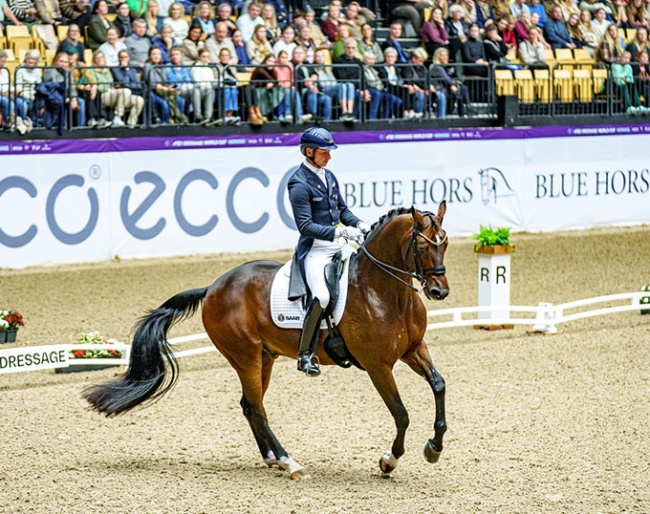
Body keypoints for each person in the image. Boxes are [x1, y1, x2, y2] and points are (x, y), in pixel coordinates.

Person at [287, 127, 370, 376]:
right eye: (324, 152)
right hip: (315, 249)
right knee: (322, 296)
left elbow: (342, 210)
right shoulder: (298, 183)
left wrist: (359, 223)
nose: (329, 157)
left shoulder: (329, 176)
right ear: (309, 152)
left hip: (338, 243)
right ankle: (304, 355)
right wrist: (342, 233)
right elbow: (305, 226)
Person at [112, 49, 146, 126]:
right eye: (122, 57)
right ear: (119, 58)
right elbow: (124, 83)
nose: (124, 59)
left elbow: (138, 84)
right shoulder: (115, 69)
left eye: (126, 57)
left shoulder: (133, 69)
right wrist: (126, 70)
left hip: (132, 93)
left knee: (139, 100)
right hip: (120, 96)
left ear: (129, 58)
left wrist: (129, 84)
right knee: (126, 91)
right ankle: (117, 117)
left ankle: (131, 123)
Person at [333, 37, 362, 121]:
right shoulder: (338, 60)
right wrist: (354, 81)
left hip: (354, 86)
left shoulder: (358, 61)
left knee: (374, 94)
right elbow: (341, 76)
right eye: (348, 48)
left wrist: (363, 89)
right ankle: (345, 112)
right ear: (344, 48)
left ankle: (350, 113)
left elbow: (362, 76)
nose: (350, 50)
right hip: (342, 85)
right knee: (347, 85)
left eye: (353, 48)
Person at [192, 47, 216, 123]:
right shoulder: (195, 67)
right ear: (199, 57)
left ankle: (208, 116)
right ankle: (197, 115)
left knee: (210, 89)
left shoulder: (209, 68)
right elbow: (197, 81)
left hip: (207, 88)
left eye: (207, 57)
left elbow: (211, 80)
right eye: (203, 57)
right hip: (199, 89)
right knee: (197, 90)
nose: (205, 59)